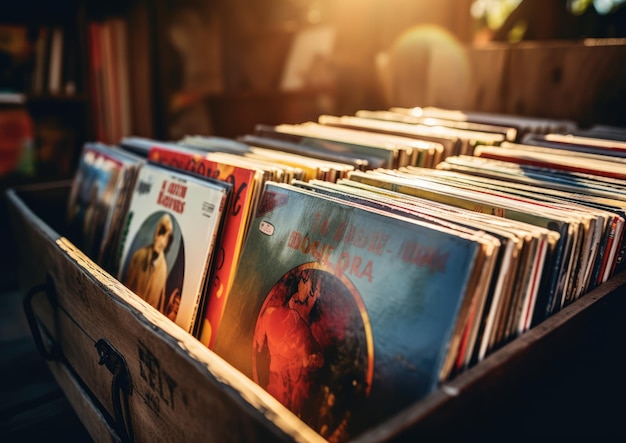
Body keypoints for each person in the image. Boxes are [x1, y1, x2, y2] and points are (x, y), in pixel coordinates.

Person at [254, 269, 325, 418]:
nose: (315, 293)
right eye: (305, 282)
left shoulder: (303, 329)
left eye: (316, 289)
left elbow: (312, 357)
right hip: (278, 373)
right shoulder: (277, 315)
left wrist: (313, 360)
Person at [123, 213, 174, 313]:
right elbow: (126, 287)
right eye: (161, 231)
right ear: (156, 232)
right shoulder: (138, 256)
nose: (161, 240)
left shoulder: (163, 270)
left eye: (166, 236)